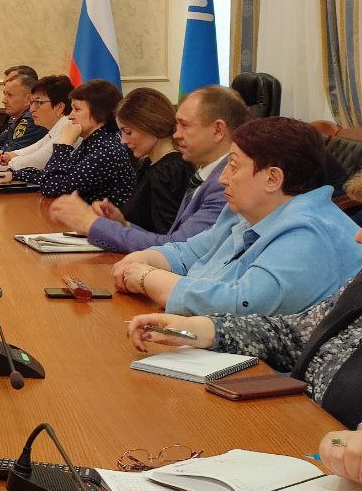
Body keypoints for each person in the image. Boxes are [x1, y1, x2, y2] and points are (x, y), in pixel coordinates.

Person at [126, 176, 362, 427]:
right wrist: (196, 329)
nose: (358, 236)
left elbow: (245, 300)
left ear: (273, 177)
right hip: (300, 422)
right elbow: (292, 335)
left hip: (316, 436)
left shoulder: (305, 229)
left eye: (235, 165)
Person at [114, 117, 362, 317]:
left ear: (272, 179)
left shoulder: (309, 233)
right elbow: (190, 252)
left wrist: (147, 278)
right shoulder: (246, 210)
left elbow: (240, 303)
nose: (223, 179)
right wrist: (143, 258)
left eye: (233, 166)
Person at [55, 85, 247, 253]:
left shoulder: (226, 183)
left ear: (218, 130)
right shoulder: (206, 174)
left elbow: (178, 249)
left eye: (184, 125)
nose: (176, 134)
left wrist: (92, 224)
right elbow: (171, 238)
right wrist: (122, 224)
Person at [49, 87, 192, 239]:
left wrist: (100, 225)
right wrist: (119, 221)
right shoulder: (149, 164)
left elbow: (167, 239)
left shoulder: (168, 171)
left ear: (152, 126)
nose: (123, 140)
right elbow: (145, 226)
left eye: (128, 132)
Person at [0, 79, 137, 205]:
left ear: (99, 113)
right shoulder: (92, 142)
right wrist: (15, 176)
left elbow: (53, 188)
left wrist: (64, 145)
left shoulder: (105, 150)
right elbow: (58, 176)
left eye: (77, 110)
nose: (70, 116)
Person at [0, 75, 74, 172]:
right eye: (32, 102)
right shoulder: (57, 128)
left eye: (39, 102)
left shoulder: (68, 130)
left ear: (60, 107)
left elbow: (34, 162)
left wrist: (10, 161)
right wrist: (9, 155)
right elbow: (36, 148)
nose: (31, 109)